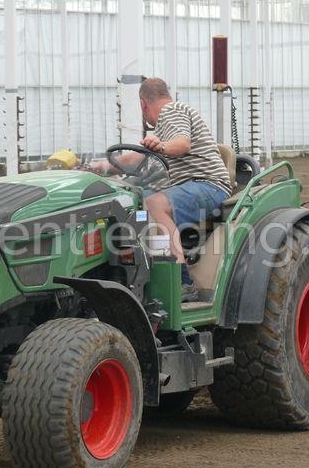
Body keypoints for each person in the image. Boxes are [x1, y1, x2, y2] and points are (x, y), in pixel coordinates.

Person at [92, 78, 232, 302]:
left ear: (143, 104)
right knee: (136, 200)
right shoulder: (164, 126)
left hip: (209, 185)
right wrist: (104, 166)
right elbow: (138, 157)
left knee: (153, 203)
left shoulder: (172, 111)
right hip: (192, 186)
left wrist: (163, 146)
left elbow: (183, 143)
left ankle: (182, 283)